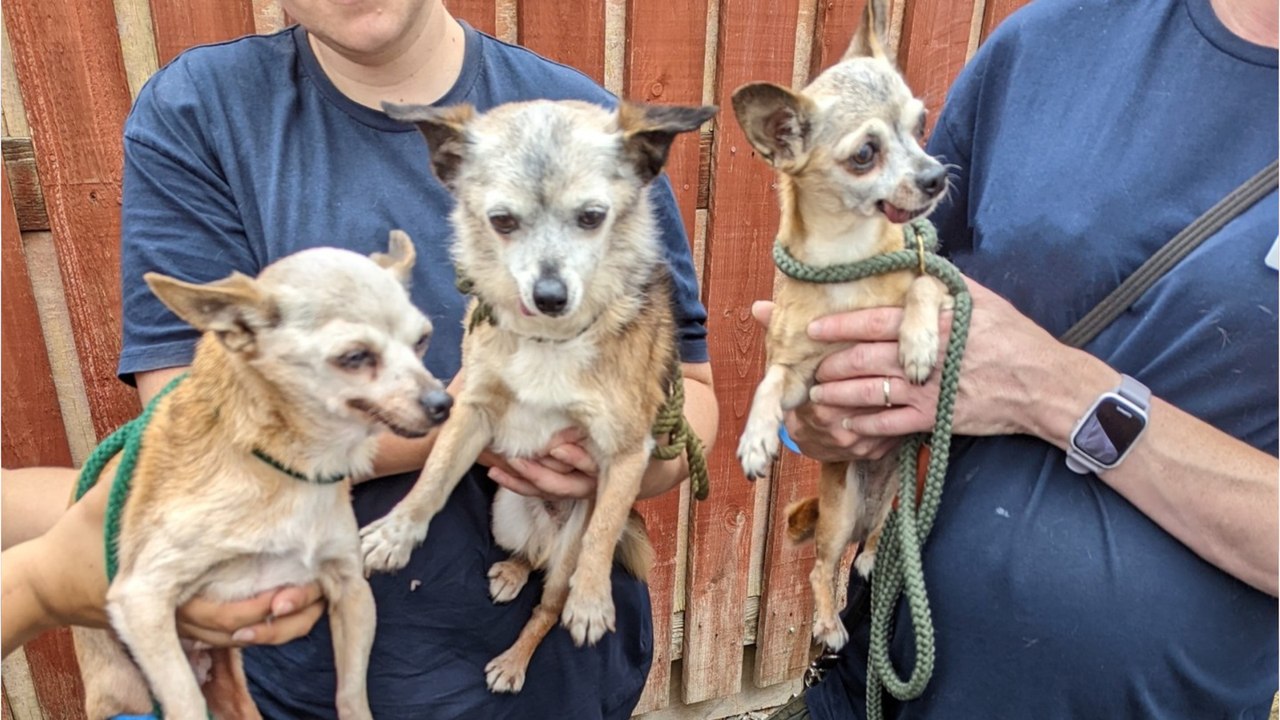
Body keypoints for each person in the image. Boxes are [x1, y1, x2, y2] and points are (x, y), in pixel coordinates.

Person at [13, 1, 718, 718]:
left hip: (552, 675)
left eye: (586, 219)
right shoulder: (203, 114)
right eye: (504, 221)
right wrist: (460, 420)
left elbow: (686, 396)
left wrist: (629, 452)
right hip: (297, 665)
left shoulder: (592, 130)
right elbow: (193, 421)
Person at [765, 0, 1277, 717]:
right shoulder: (1050, 38)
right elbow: (893, 278)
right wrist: (819, 418)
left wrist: (1056, 394)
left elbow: (1019, 376)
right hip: (879, 683)